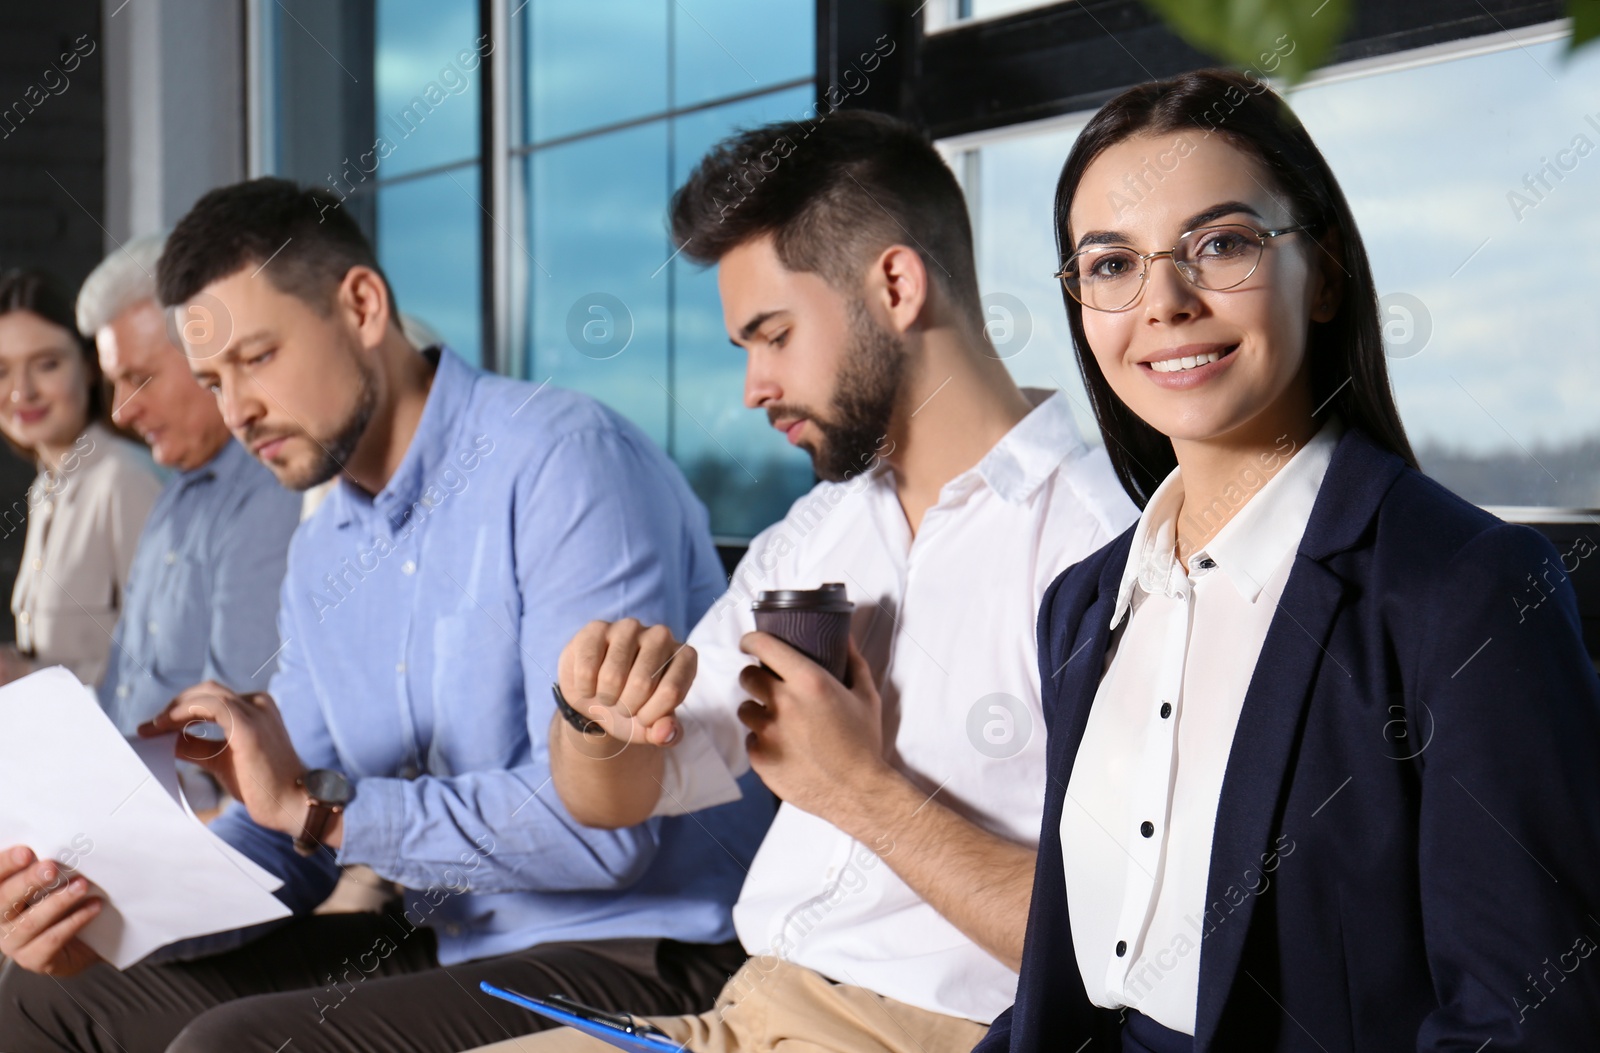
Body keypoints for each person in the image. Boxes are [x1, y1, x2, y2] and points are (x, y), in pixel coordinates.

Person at [0, 178, 773, 1053]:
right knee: (46, 998)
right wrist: (111, 916)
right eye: (214, 379)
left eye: (258, 357)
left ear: (361, 305)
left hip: (640, 945)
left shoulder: (560, 462)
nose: (237, 408)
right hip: (454, 939)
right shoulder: (325, 548)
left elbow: (603, 838)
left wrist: (321, 811)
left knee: (231, 1047)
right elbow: (293, 827)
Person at [465, 110, 1138, 1053]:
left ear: (896, 285)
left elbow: (1127, 948)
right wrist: (593, 715)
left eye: (771, 335)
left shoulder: (1108, 546)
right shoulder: (814, 536)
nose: (753, 385)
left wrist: (859, 787)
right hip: (742, 1014)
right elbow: (617, 794)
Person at [975, 69, 1600, 1053]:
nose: (1165, 302)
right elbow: (1072, 988)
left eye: (1220, 244)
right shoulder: (1082, 604)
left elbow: (1526, 1024)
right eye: (1110, 265)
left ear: (1327, 275)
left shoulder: (1465, 590)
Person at [78, 234, 302, 756]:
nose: (120, 412)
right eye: (114, 383)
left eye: (138, 379)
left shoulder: (270, 496)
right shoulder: (175, 496)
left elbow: (237, 744)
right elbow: (122, 694)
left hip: (192, 829)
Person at [0, 268, 162, 688]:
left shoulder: (125, 479)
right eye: (2, 371)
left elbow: (167, 666)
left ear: (91, 367)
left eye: (47, 364)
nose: (22, 392)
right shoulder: (44, 490)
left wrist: (30, 679)